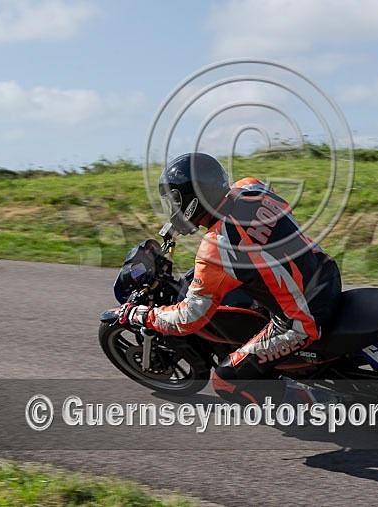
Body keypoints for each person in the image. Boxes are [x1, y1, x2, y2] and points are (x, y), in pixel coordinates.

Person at [117, 152, 342, 405]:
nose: (174, 208)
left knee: (226, 381)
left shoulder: (216, 247)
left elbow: (189, 318)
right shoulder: (251, 187)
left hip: (303, 319)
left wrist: (141, 315)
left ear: (194, 200)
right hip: (326, 273)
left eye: (176, 201)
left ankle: (320, 405)